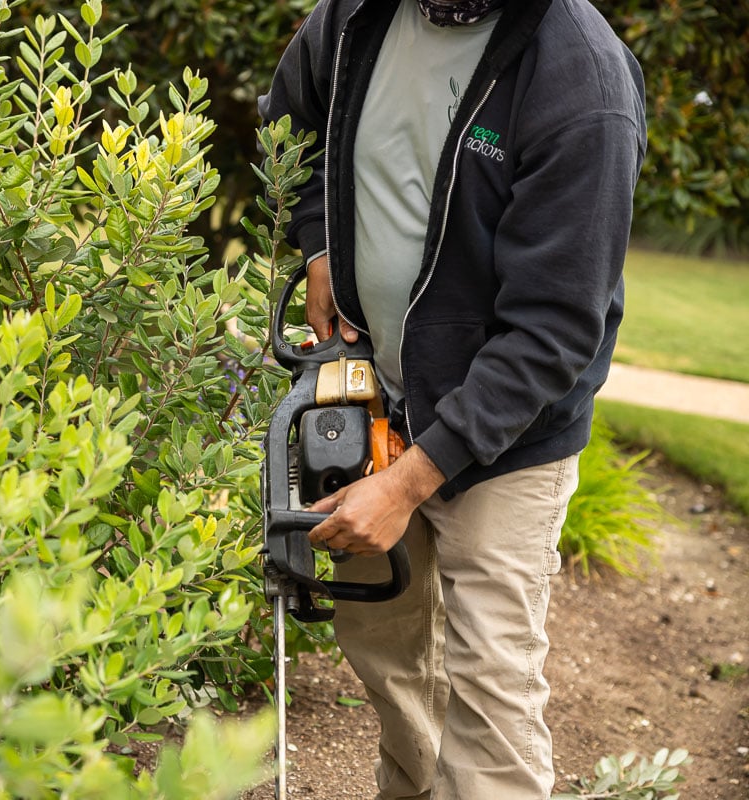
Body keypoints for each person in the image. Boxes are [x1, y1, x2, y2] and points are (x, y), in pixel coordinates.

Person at [258, 0, 646, 797]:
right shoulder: (357, 15)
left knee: (493, 693)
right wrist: (321, 239)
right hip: (376, 396)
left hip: (507, 438)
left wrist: (406, 485)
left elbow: (552, 334)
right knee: (391, 660)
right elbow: (287, 119)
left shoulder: (581, 82)